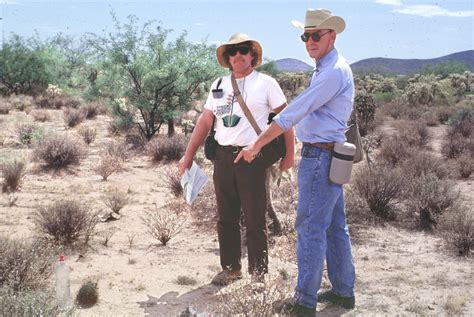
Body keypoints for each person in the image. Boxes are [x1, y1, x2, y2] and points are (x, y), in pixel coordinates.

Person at [235, 8, 356, 315]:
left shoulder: (331, 72)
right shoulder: (329, 68)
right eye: (306, 36)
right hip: (330, 154)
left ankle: (304, 301)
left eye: (316, 35)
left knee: (310, 228)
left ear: (332, 36)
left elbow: (291, 113)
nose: (310, 41)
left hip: (320, 157)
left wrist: (257, 143)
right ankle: (343, 291)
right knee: (334, 227)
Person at [178, 33, 295, 285]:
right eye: (233, 52)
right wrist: (188, 155)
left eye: (243, 50)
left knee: (255, 218)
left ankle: (258, 275)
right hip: (222, 157)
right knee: (226, 217)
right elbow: (205, 120)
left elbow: (286, 120)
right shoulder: (219, 84)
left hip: (252, 156)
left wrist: (290, 156)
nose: (238, 55)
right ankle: (231, 269)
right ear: (228, 58)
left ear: (252, 54)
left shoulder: (266, 83)